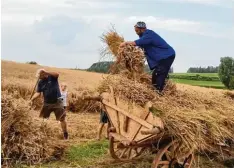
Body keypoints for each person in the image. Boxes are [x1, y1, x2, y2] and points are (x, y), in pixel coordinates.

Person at [120, 21, 175, 95]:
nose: (136, 32)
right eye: (135, 30)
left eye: (137, 30)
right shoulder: (144, 36)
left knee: (159, 73)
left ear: (141, 29)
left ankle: (158, 93)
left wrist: (125, 43)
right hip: (163, 57)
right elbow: (141, 46)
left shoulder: (148, 34)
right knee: (155, 74)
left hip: (167, 55)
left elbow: (138, 42)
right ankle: (158, 90)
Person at [30, 69, 68, 140]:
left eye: (40, 76)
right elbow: (38, 93)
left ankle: (65, 134)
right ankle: (42, 134)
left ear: (43, 74)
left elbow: (57, 74)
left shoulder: (52, 77)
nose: (39, 78)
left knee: (62, 119)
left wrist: (46, 72)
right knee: (43, 119)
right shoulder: (40, 82)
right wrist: (31, 99)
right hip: (47, 103)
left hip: (58, 102)